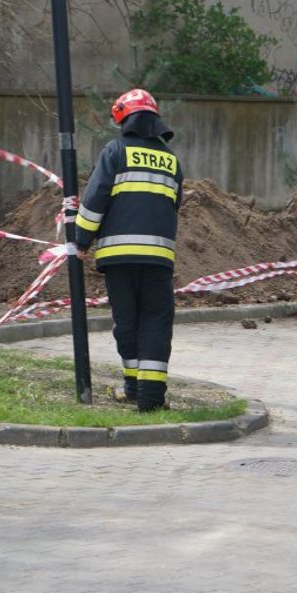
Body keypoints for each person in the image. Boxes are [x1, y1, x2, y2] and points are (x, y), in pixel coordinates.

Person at [75, 88, 183, 413]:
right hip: (159, 258)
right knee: (156, 320)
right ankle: (151, 397)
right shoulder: (171, 160)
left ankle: (133, 389)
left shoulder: (115, 151)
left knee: (127, 322)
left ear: (124, 118)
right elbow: (174, 204)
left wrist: (81, 240)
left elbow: (95, 200)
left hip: (118, 258)